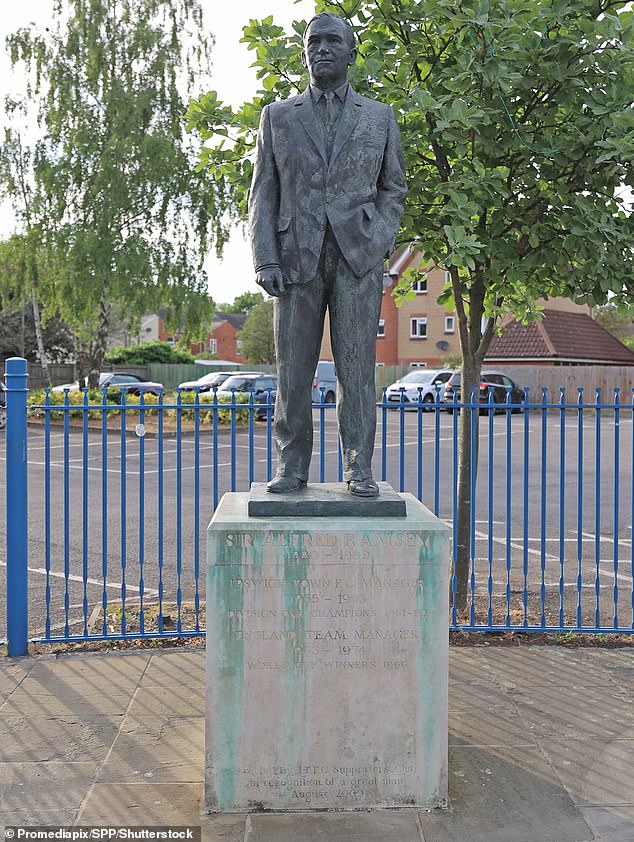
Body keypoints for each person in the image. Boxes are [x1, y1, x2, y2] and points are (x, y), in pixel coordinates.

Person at [249, 11, 407, 497]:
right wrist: (265, 258)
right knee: (292, 369)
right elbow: (263, 194)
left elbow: (393, 188)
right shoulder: (278, 116)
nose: (321, 48)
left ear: (351, 52)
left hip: (357, 258)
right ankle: (291, 466)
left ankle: (359, 465)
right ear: (304, 53)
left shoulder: (379, 117)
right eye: (313, 41)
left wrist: (377, 239)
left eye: (332, 41)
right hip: (296, 258)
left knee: (357, 368)